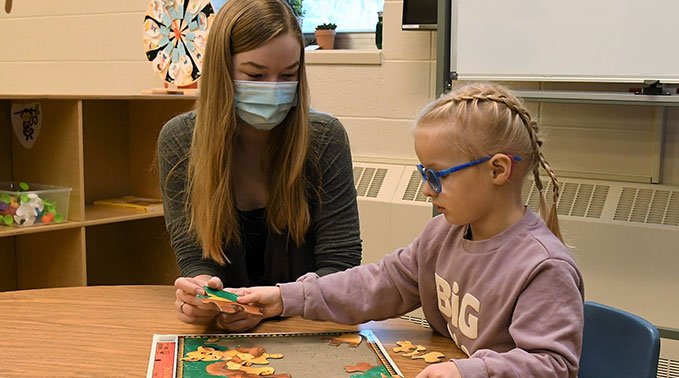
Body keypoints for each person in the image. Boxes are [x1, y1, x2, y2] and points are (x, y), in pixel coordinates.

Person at [236, 83, 585, 377]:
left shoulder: (545, 267)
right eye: (423, 175)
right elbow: (379, 283)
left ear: (497, 171)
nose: (426, 189)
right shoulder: (441, 235)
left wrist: (468, 371)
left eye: (436, 175)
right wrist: (287, 297)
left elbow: (552, 365)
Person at [157, 0, 361, 332]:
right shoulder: (180, 141)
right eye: (256, 74)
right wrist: (201, 295)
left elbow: (341, 266)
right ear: (222, 69)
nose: (274, 88)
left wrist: (277, 302)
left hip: (307, 326)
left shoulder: (324, 140)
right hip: (225, 332)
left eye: (289, 75)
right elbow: (196, 258)